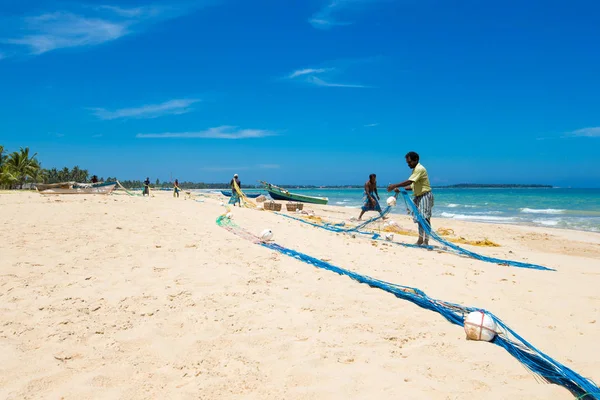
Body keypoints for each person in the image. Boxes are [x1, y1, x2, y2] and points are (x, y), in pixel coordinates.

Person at [387, 151, 433, 246]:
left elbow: (409, 181)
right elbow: (413, 186)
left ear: (416, 160)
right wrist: (400, 189)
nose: (408, 164)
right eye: (407, 163)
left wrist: (394, 185)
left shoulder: (420, 169)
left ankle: (426, 241)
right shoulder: (415, 169)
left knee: (425, 218)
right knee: (420, 219)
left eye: (410, 162)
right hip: (418, 196)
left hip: (425, 195)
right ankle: (420, 239)